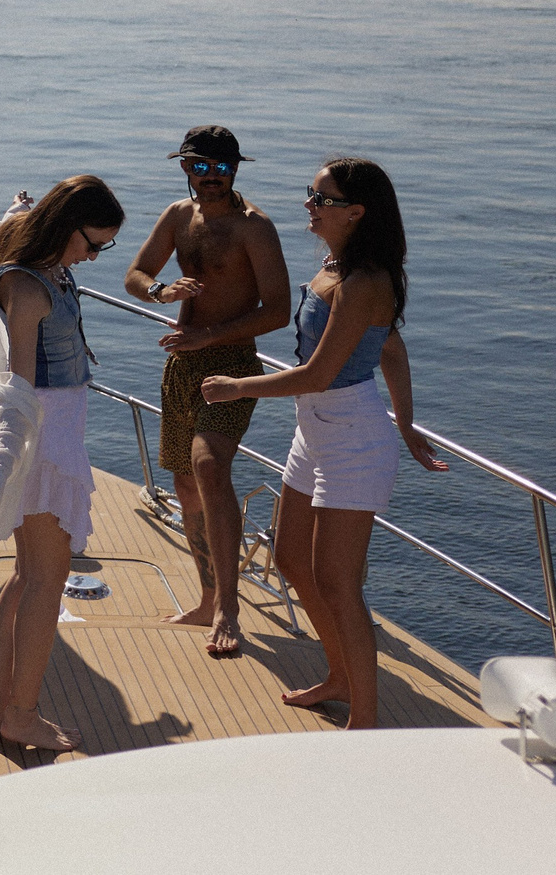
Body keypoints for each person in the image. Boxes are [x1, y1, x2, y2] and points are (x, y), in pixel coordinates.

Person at [200, 158, 449, 727]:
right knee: (289, 557)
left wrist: (239, 387)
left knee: (339, 583)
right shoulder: (337, 266)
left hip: (352, 439)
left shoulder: (366, 283)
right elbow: (388, 349)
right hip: (315, 432)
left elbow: (318, 373)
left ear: (356, 213)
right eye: (310, 193)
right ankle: (339, 673)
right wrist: (406, 423)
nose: (309, 205)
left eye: (321, 198)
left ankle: (365, 718)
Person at [0, 175, 124, 753]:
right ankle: (22, 714)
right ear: (63, 229)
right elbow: (18, 395)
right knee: (47, 583)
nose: (94, 257)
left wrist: (13, 217)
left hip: (54, 438)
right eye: (92, 244)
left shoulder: (44, 266)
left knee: (29, 576)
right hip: (44, 447)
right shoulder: (27, 288)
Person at [122, 125, 290, 658]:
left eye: (221, 168)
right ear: (185, 167)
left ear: (236, 169)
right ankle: (205, 597)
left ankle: (228, 609)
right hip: (181, 364)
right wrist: (160, 290)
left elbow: (279, 310)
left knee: (210, 466)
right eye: (200, 167)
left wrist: (207, 336)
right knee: (187, 483)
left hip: (229, 361)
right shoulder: (178, 216)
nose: (210, 177)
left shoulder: (254, 228)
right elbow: (136, 271)